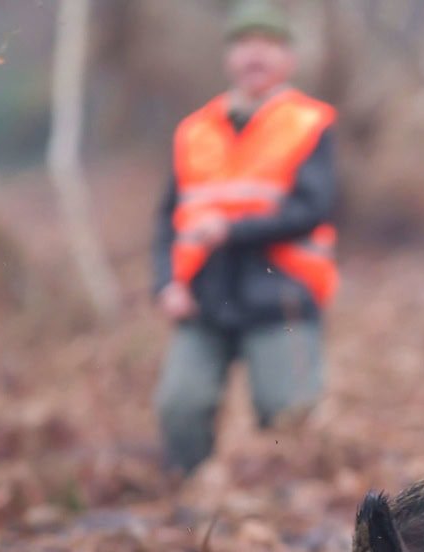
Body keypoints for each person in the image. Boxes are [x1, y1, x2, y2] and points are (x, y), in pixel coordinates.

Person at [151, 0, 338, 475]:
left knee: (287, 419)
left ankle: (285, 512)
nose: (254, 57)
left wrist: (231, 231)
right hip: (204, 295)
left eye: (267, 46)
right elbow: (166, 219)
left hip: (282, 294)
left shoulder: (310, 122)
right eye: (244, 45)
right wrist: (164, 285)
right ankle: (189, 504)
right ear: (228, 58)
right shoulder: (193, 131)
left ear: (288, 59)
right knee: (180, 407)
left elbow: (312, 208)